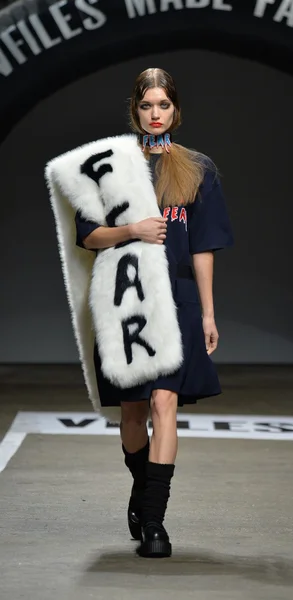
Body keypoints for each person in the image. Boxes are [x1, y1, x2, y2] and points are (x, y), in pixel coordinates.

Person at [66, 68, 233, 558]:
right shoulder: (110, 165)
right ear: (134, 110)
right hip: (125, 301)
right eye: (146, 106)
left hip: (178, 299)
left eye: (163, 105)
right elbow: (88, 235)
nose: (155, 114)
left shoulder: (198, 168)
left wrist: (207, 312)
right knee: (135, 410)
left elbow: (204, 247)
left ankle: (155, 523)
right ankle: (142, 495)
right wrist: (133, 230)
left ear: (175, 109)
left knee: (165, 404)